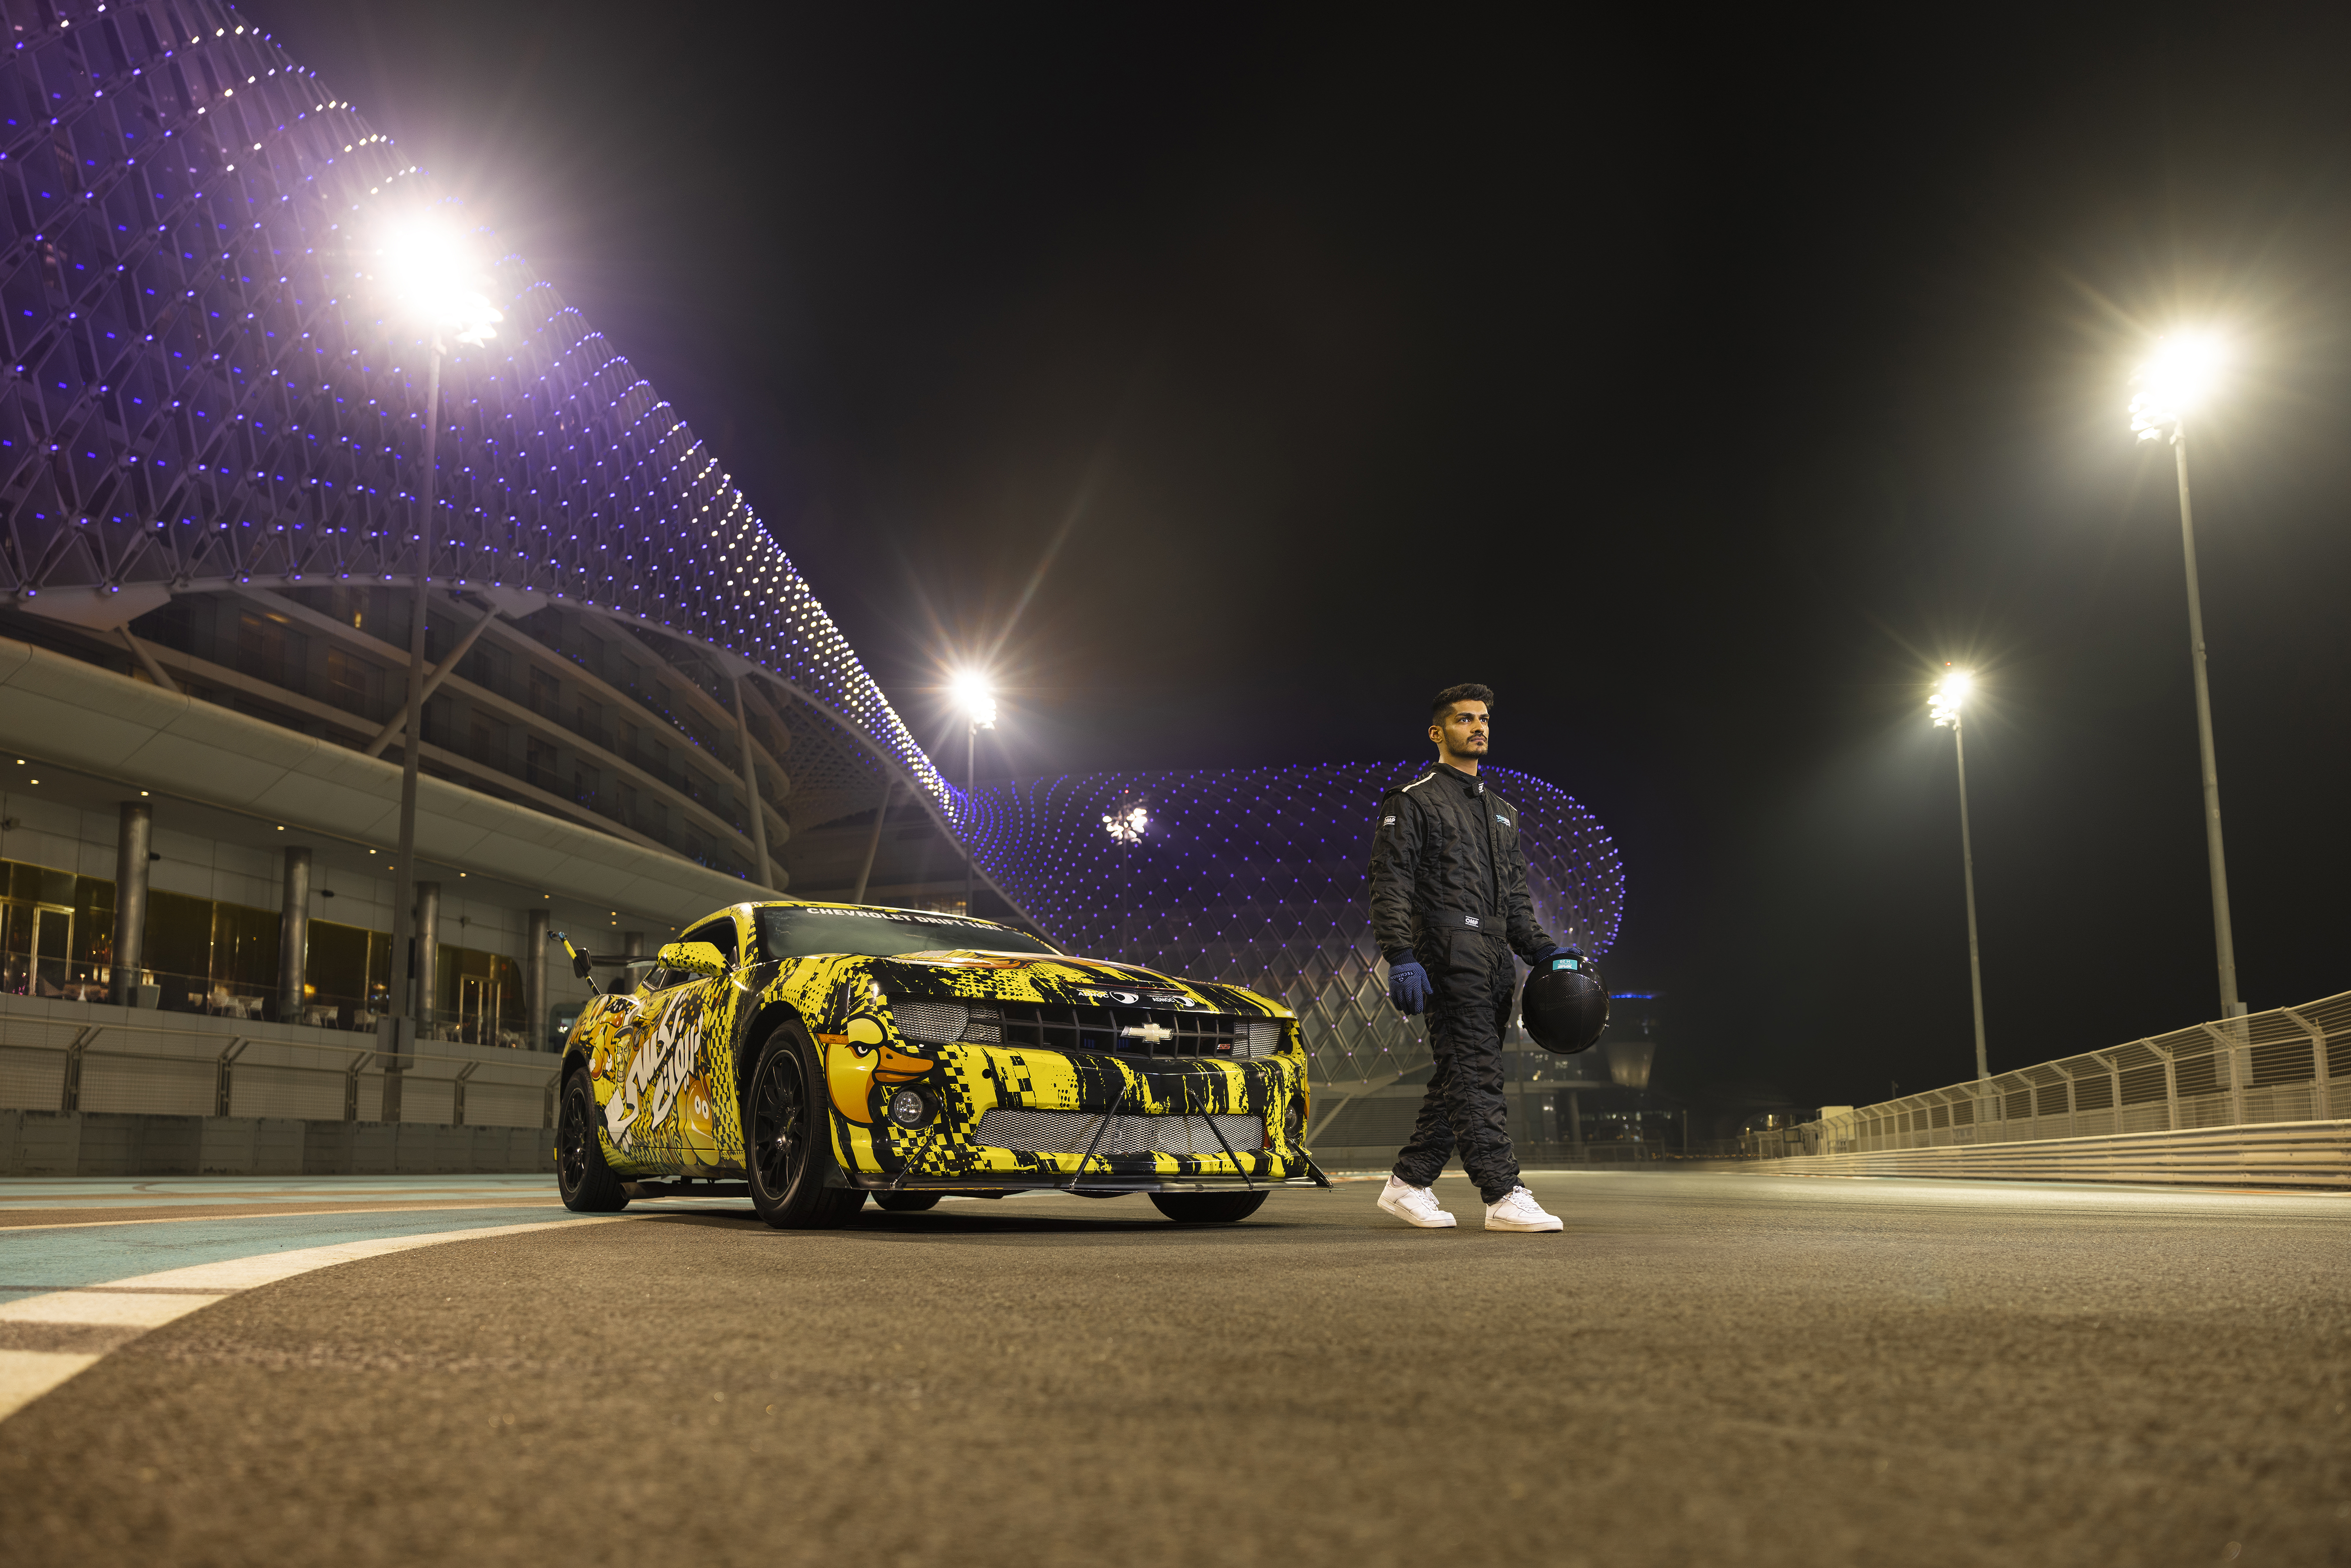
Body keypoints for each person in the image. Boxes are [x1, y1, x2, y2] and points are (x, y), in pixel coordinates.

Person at [1366, 683, 1575, 1232]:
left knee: (1462, 1071)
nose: (1478, 727)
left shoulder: (1502, 813)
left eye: (1483, 719)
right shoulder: (1412, 800)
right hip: (1445, 949)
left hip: (1495, 957)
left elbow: (1515, 900)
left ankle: (1408, 1182)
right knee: (1476, 1074)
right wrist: (1400, 954)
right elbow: (1390, 883)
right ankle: (1501, 1192)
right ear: (1437, 732)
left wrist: (1544, 951)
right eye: (1464, 719)